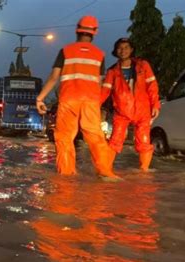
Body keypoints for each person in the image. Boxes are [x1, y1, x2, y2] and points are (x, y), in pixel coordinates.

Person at [36, 15, 119, 180]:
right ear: (95, 32)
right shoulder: (99, 54)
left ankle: (66, 177)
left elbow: (54, 77)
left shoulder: (66, 51)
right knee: (96, 138)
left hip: (69, 100)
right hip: (91, 101)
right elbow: (100, 82)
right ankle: (106, 172)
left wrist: (40, 98)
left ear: (77, 30)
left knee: (65, 138)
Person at [101, 38, 160, 172]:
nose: (123, 51)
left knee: (144, 141)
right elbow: (105, 91)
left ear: (132, 49)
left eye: (126, 47)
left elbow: (152, 86)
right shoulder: (112, 71)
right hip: (121, 112)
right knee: (115, 141)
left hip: (143, 110)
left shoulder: (143, 65)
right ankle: (105, 170)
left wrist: (155, 105)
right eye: (120, 48)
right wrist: (93, 106)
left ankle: (144, 171)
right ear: (116, 51)